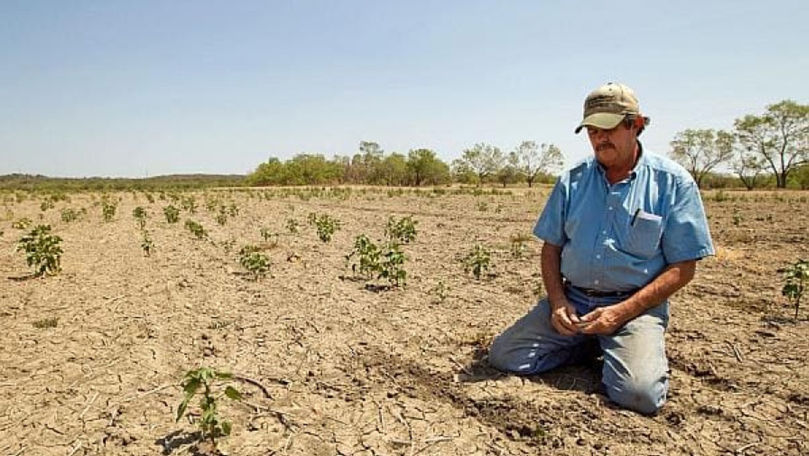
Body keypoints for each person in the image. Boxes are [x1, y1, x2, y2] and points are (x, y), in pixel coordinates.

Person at [488, 82, 714, 415]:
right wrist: (558, 301)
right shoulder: (572, 180)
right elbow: (551, 249)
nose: (599, 138)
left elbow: (684, 267)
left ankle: (621, 346)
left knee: (639, 395)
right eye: (592, 130)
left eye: (608, 128)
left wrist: (620, 314)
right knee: (505, 356)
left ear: (635, 125)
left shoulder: (672, 182)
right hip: (575, 301)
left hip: (633, 308)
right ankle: (586, 342)